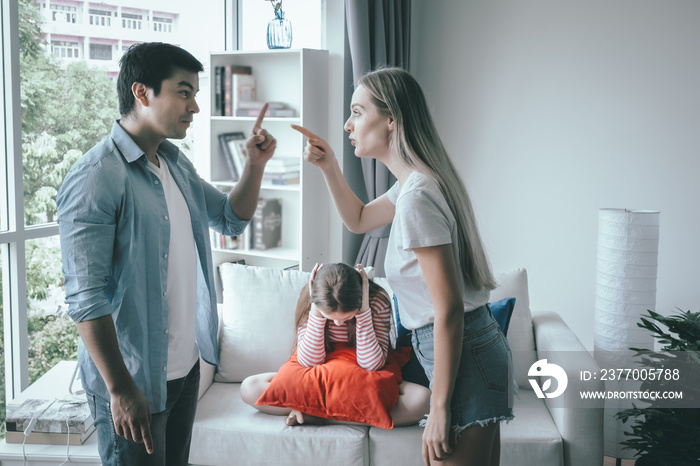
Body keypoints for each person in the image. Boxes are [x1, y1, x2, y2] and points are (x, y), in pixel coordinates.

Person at [56, 42, 276, 466]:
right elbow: (86, 299)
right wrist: (120, 390)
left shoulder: (175, 164)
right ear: (142, 93)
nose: (194, 106)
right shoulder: (97, 177)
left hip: (185, 370)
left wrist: (255, 164)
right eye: (183, 92)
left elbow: (231, 218)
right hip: (133, 382)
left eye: (194, 94)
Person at [291, 68, 514, 466]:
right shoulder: (415, 183)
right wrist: (329, 167)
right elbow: (358, 219)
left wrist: (441, 408)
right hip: (469, 351)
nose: (348, 124)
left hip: (461, 355)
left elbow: (446, 310)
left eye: (357, 112)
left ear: (391, 118)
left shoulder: (417, 198)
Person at [241, 262, 431, 427]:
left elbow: (372, 364)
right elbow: (309, 361)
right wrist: (316, 310)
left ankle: (318, 416)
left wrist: (364, 312)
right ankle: (351, 415)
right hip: (318, 374)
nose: (339, 323)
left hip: (362, 375)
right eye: (330, 318)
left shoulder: (377, 301)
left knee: (423, 400)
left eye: (347, 317)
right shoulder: (312, 302)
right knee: (249, 388)